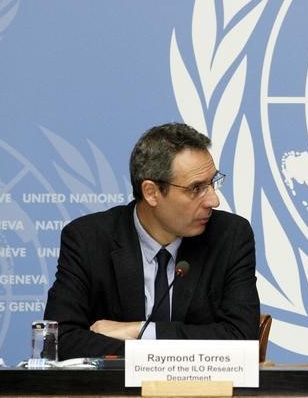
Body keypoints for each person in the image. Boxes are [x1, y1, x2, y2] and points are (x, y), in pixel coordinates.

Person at [44, 122, 260, 359]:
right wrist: (162, 353)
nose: (213, 200)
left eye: (212, 182)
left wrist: (141, 331)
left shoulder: (230, 236)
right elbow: (59, 340)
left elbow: (242, 340)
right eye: (196, 188)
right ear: (151, 192)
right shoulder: (89, 239)